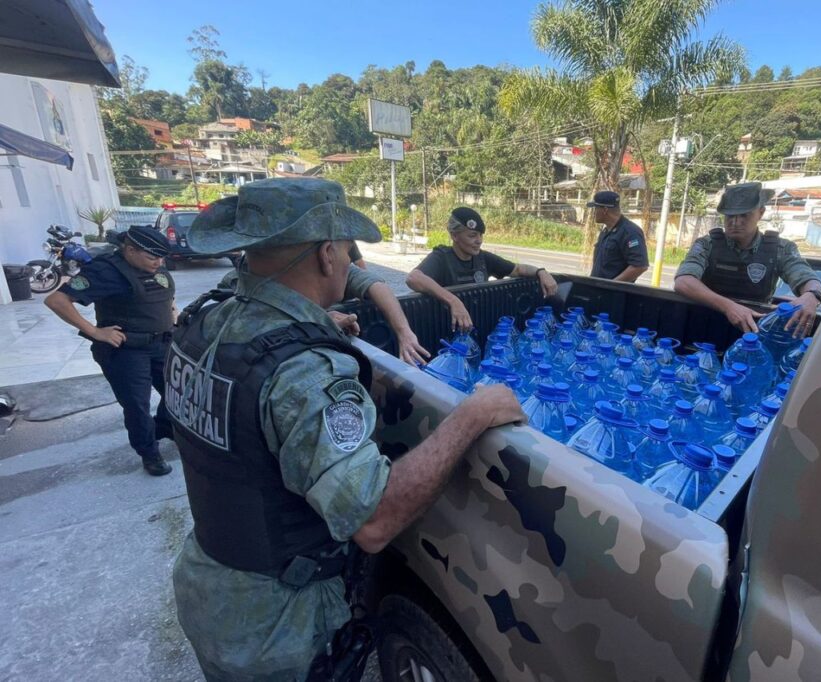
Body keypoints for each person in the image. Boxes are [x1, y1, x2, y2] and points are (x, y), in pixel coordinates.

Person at [167, 178, 524, 681]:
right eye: (347, 248)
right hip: (278, 627)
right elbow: (374, 522)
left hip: (212, 586)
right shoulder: (304, 371)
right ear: (329, 254)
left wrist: (318, 323)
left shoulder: (207, 319)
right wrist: (471, 415)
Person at [44, 226, 176, 476]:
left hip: (162, 343)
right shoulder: (105, 271)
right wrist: (95, 332)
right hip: (126, 351)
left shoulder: (155, 265)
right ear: (130, 250)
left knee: (177, 392)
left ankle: (163, 427)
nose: (159, 262)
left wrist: (172, 314)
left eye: (161, 257)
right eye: (152, 257)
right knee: (137, 405)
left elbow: (165, 294)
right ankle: (149, 453)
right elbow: (56, 300)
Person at [218, 250, 430, 365]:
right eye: (348, 251)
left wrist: (404, 332)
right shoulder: (309, 368)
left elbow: (375, 285)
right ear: (327, 254)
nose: (351, 260)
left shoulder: (210, 312)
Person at [674, 182, 821, 335]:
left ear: (761, 213)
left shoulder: (781, 249)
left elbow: (806, 277)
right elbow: (683, 281)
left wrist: (811, 296)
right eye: (730, 215)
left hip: (754, 333)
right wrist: (729, 307)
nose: (735, 222)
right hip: (706, 328)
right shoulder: (707, 244)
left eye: (744, 215)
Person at [406, 206, 558, 330]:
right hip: (448, 329)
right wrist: (453, 300)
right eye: (472, 235)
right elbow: (413, 278)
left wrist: (541, 272)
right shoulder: (442, 257)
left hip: (476, 326)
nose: (479, 241)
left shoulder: (482, 258)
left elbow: (518, 269)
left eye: (480, 235)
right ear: (454, 236)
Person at [588, 190, 650, 282]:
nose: (594, 213)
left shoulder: (630, 232)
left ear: (605, 210)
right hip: (598, 290)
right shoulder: (605, 231)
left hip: (615, 293)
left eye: (596, 208)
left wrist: (613, 285)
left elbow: (639, 266)